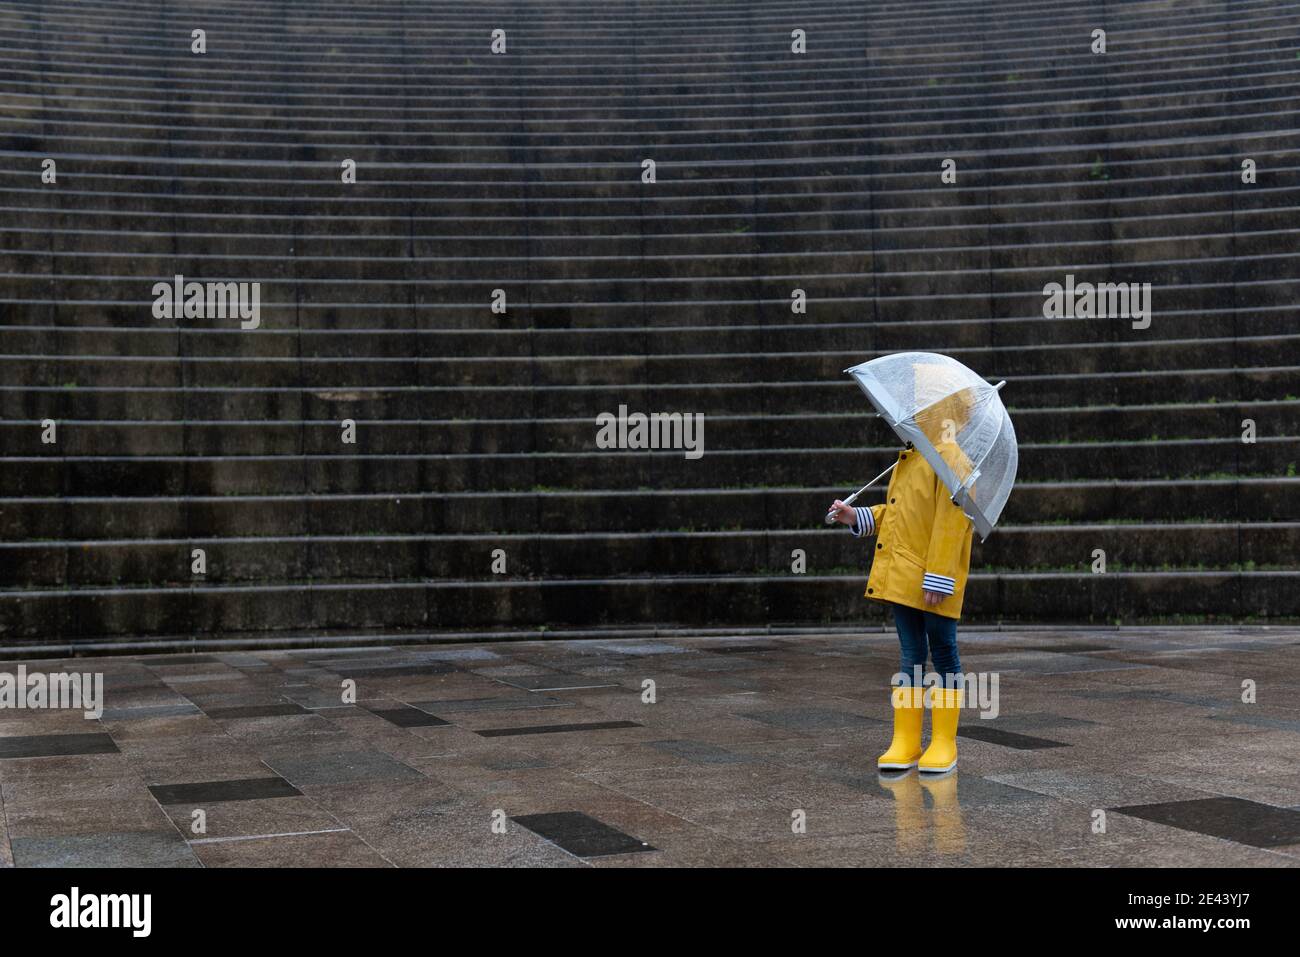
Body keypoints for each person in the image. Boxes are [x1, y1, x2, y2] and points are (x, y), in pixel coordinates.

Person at [828, 386, 976, 774]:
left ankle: (944, 742)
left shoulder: (951, 461)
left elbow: (952, 525)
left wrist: (939, 577)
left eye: (924, 406)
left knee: (943, 652)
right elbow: (898, 516)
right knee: (911, 656)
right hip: (904, 576)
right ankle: (906, 741)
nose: (915, 412)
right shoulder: (912, 458)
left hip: (933, 580)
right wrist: (855, 516)